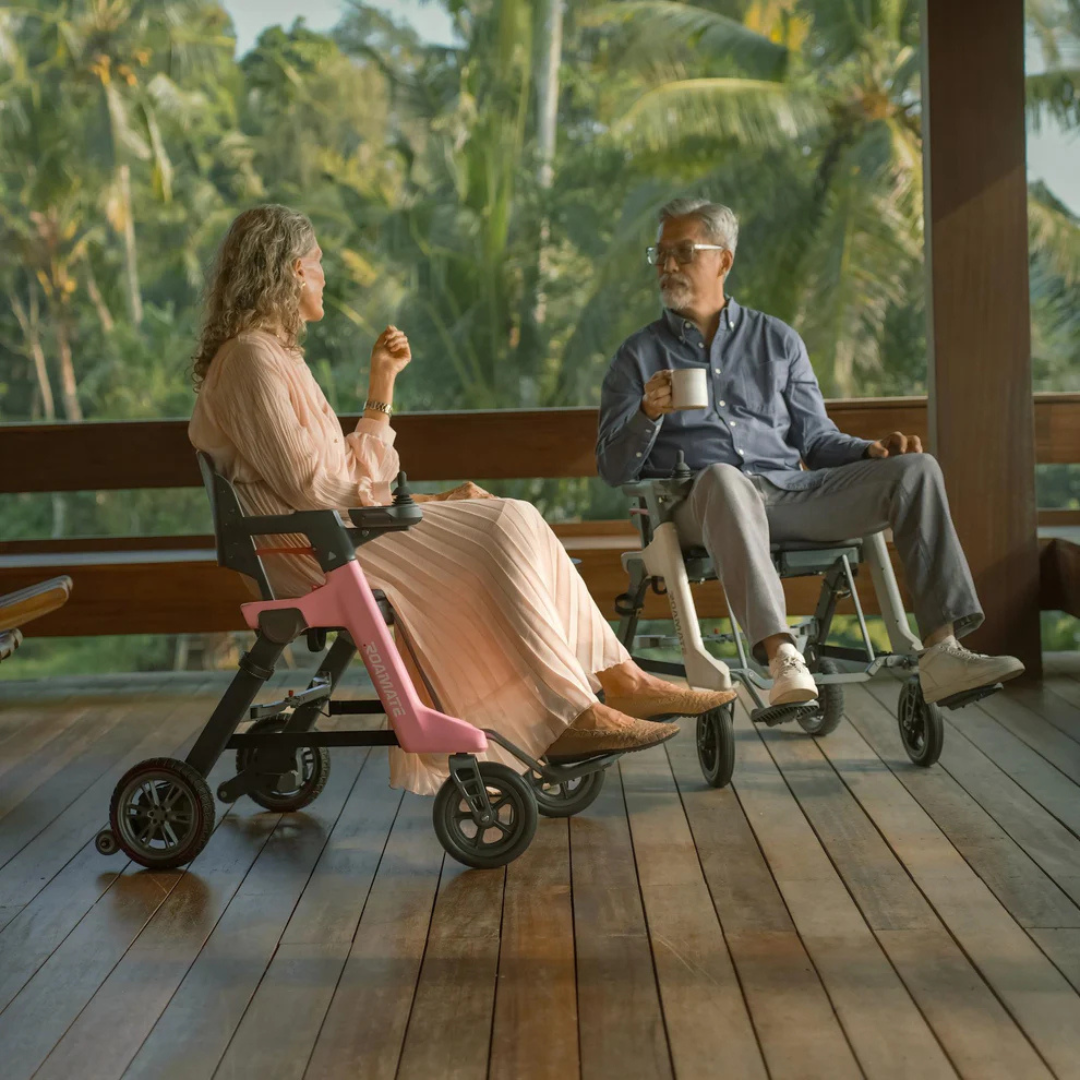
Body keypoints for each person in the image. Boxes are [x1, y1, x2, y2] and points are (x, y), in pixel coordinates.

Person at [189, 204, 735, 795]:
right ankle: (564, 713)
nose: (325, 277)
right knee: (504, 522)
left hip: (329, 535)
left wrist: (389, 401)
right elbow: (310, 485)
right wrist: (413, 464)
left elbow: (332, 478)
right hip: (307, 550)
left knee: (514, 517)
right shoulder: (250, 360)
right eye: (319, 264)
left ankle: (615, 679)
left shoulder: (277, 358)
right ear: (294, 271)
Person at [597, 197, 1024, 707]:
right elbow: (612, 467)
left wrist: (869, 451)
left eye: (683, 252)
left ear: (724, 261)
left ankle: (942, 651)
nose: (667, 265)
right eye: (660, 254)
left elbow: (817, 441)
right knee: (724, 478)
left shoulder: (777, 341)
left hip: (789, 495)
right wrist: (647, 413)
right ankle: (782, 658)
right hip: (696, 506)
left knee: (916, 471)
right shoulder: (636, 356)